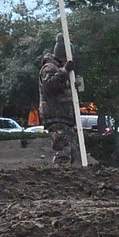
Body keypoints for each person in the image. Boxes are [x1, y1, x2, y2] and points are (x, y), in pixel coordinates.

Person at [38, 35, 80, 165]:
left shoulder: (61, 70)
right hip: (56, 115)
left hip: (65, 116)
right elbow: (50, 86)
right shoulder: (49, 68)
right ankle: (60, 177)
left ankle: (67, 177)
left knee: (71, 151)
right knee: (63, 152)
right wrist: (65, 71)